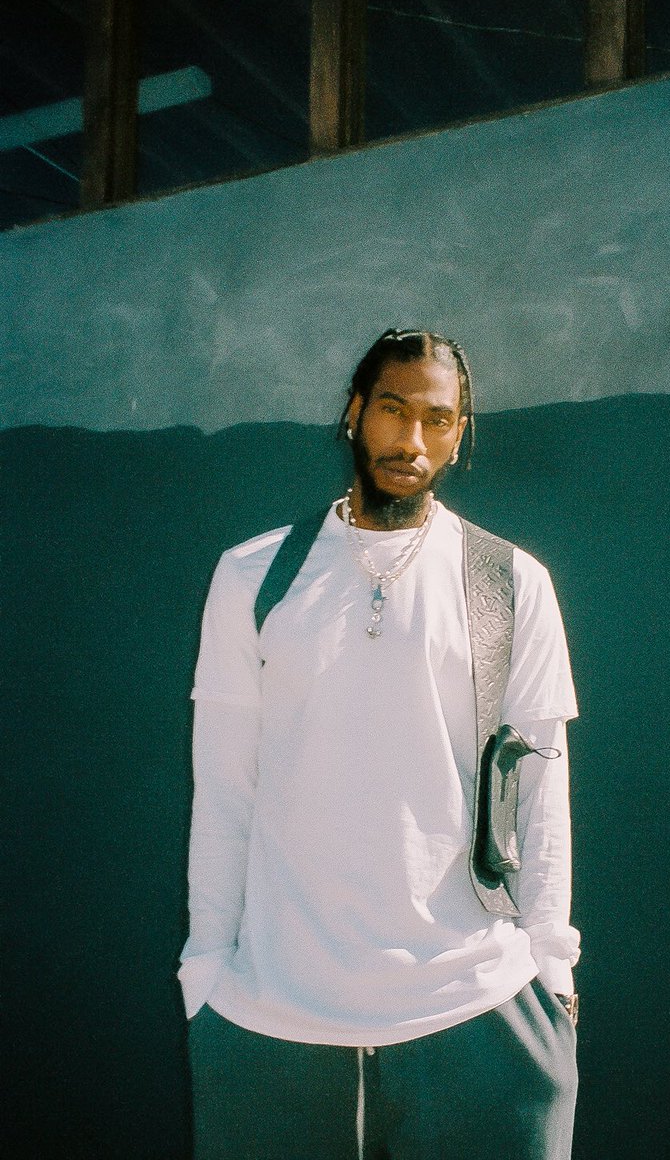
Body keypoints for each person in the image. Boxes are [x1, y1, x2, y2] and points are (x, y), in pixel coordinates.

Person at [179, 329, 581, 1160]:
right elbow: (223, 788)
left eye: (438, 419)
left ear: (460, 434)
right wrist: (206, 971)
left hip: (479, 1007)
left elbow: (542, 796)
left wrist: (554, 972)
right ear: (355, 413)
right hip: (273, 1014)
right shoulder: (253, 576)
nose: (412, 439)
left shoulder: (511, 582)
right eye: (394, 411)